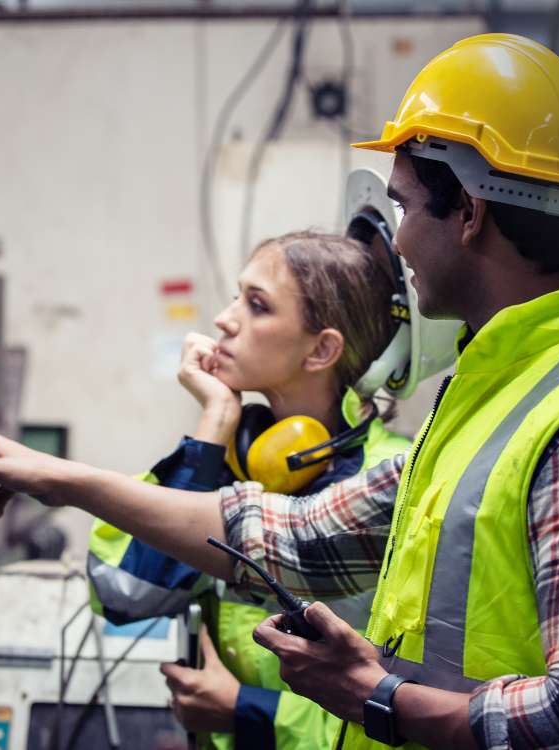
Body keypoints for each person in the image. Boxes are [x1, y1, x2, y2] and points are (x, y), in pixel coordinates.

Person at [0, 34, 559, 750]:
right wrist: (54, 478)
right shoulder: (489, 398)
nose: (397, 242)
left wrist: (374, 695)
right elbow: (291, 537)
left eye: (406, 206)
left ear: (471, 214)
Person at [87, 223, 414, 750]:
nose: (223, 318)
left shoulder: (391, 480)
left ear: (321, 350)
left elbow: (409, 707)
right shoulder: (232, 461)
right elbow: (125, 596)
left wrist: (248, 711)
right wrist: (214, 426)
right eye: (237, 296)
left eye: (257, 305)